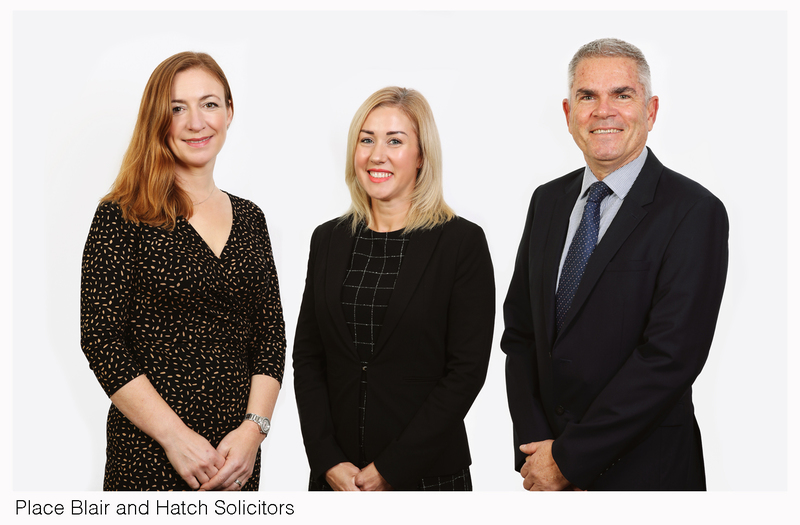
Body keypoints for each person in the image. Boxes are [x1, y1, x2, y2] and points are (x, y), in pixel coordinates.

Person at [501, 38, 728, 491]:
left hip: (646, 474)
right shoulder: (547, 201)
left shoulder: (693, 211)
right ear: (569, 113)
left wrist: (570, 459)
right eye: (587, 96)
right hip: (546, 471)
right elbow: (521, 335)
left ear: (651, 110)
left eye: (622, 95)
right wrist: (539, 449)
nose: (603, 111)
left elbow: (669, 358)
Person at [80, 51, 286, 491]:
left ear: (229, 111)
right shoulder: (122, 215)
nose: (196, 122)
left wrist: (253, 432)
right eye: (177, 108)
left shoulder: (252, 219)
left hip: (235, 463)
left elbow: (270, 335)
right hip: (148, 458)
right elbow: (101, 339)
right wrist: (176, 438)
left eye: (209, 104)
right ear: (158, 119)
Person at [293, 86, 495, 491]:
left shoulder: (461, 243)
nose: (377, 155)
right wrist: (327, 459)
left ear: (421, 155)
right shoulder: (327, 239)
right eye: (366, 140)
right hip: (336, 479)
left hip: (429, 476)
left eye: (395, 141)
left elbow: (466, 372)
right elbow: (308, 358)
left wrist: (390, 468)